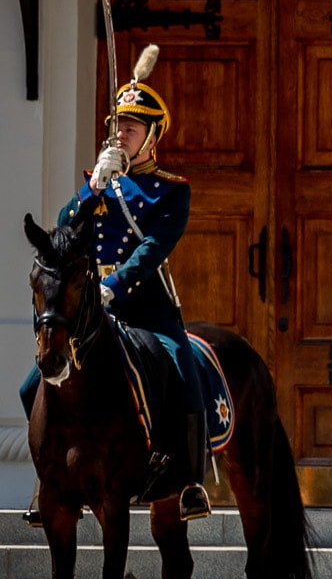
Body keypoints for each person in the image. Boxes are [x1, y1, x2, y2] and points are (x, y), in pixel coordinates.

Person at [23, 43, 213, 522]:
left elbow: (154, 248)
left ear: (152, 137)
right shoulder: (99, 180)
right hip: (89, 310)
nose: (121, 135)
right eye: (117, 128)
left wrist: (117, 284)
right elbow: (62, 231)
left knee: (182, 370)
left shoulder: (171, 190)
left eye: (131, 128)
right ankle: (47, 478)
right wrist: (93, 189)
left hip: (144, 305)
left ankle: (190, 481)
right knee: (33, 385)